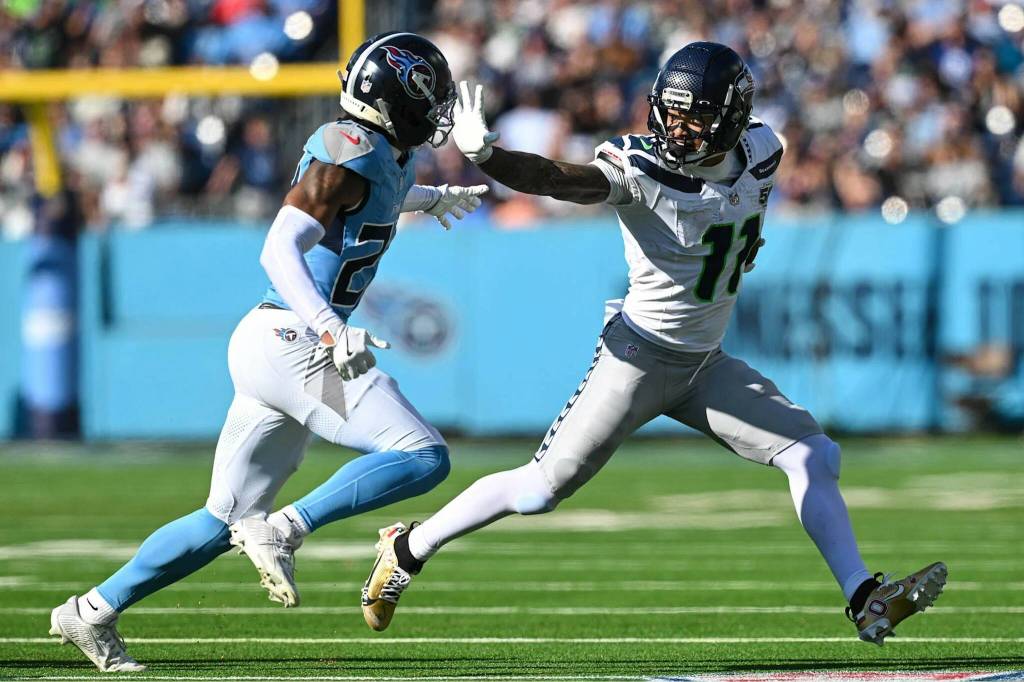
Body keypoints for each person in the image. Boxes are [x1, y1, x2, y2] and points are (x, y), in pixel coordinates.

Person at [360, 42, 946, 646]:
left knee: (814, 456)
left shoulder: (763, 152)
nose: (677, 128)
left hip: (705, 365)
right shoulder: (642, 169)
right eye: (670, 112)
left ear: (733, 117)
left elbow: (733, 215)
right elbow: (561, 180)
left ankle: (864, 598)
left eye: (695, 116)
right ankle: (407, 548)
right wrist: (489, 156)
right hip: (636, 358)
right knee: (538, 490)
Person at [48, 31, 488, 672]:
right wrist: (329, 329)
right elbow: (279, 247)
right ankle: (286, 528)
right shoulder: (345, 149)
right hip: (295, 339)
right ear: (398, 101)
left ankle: (90, 612)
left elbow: (367, 200)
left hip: (274, 343)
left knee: (222, 518)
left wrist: (430, 199)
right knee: (421, 455)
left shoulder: (382, 155)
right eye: (432, 96)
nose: (441, 109)